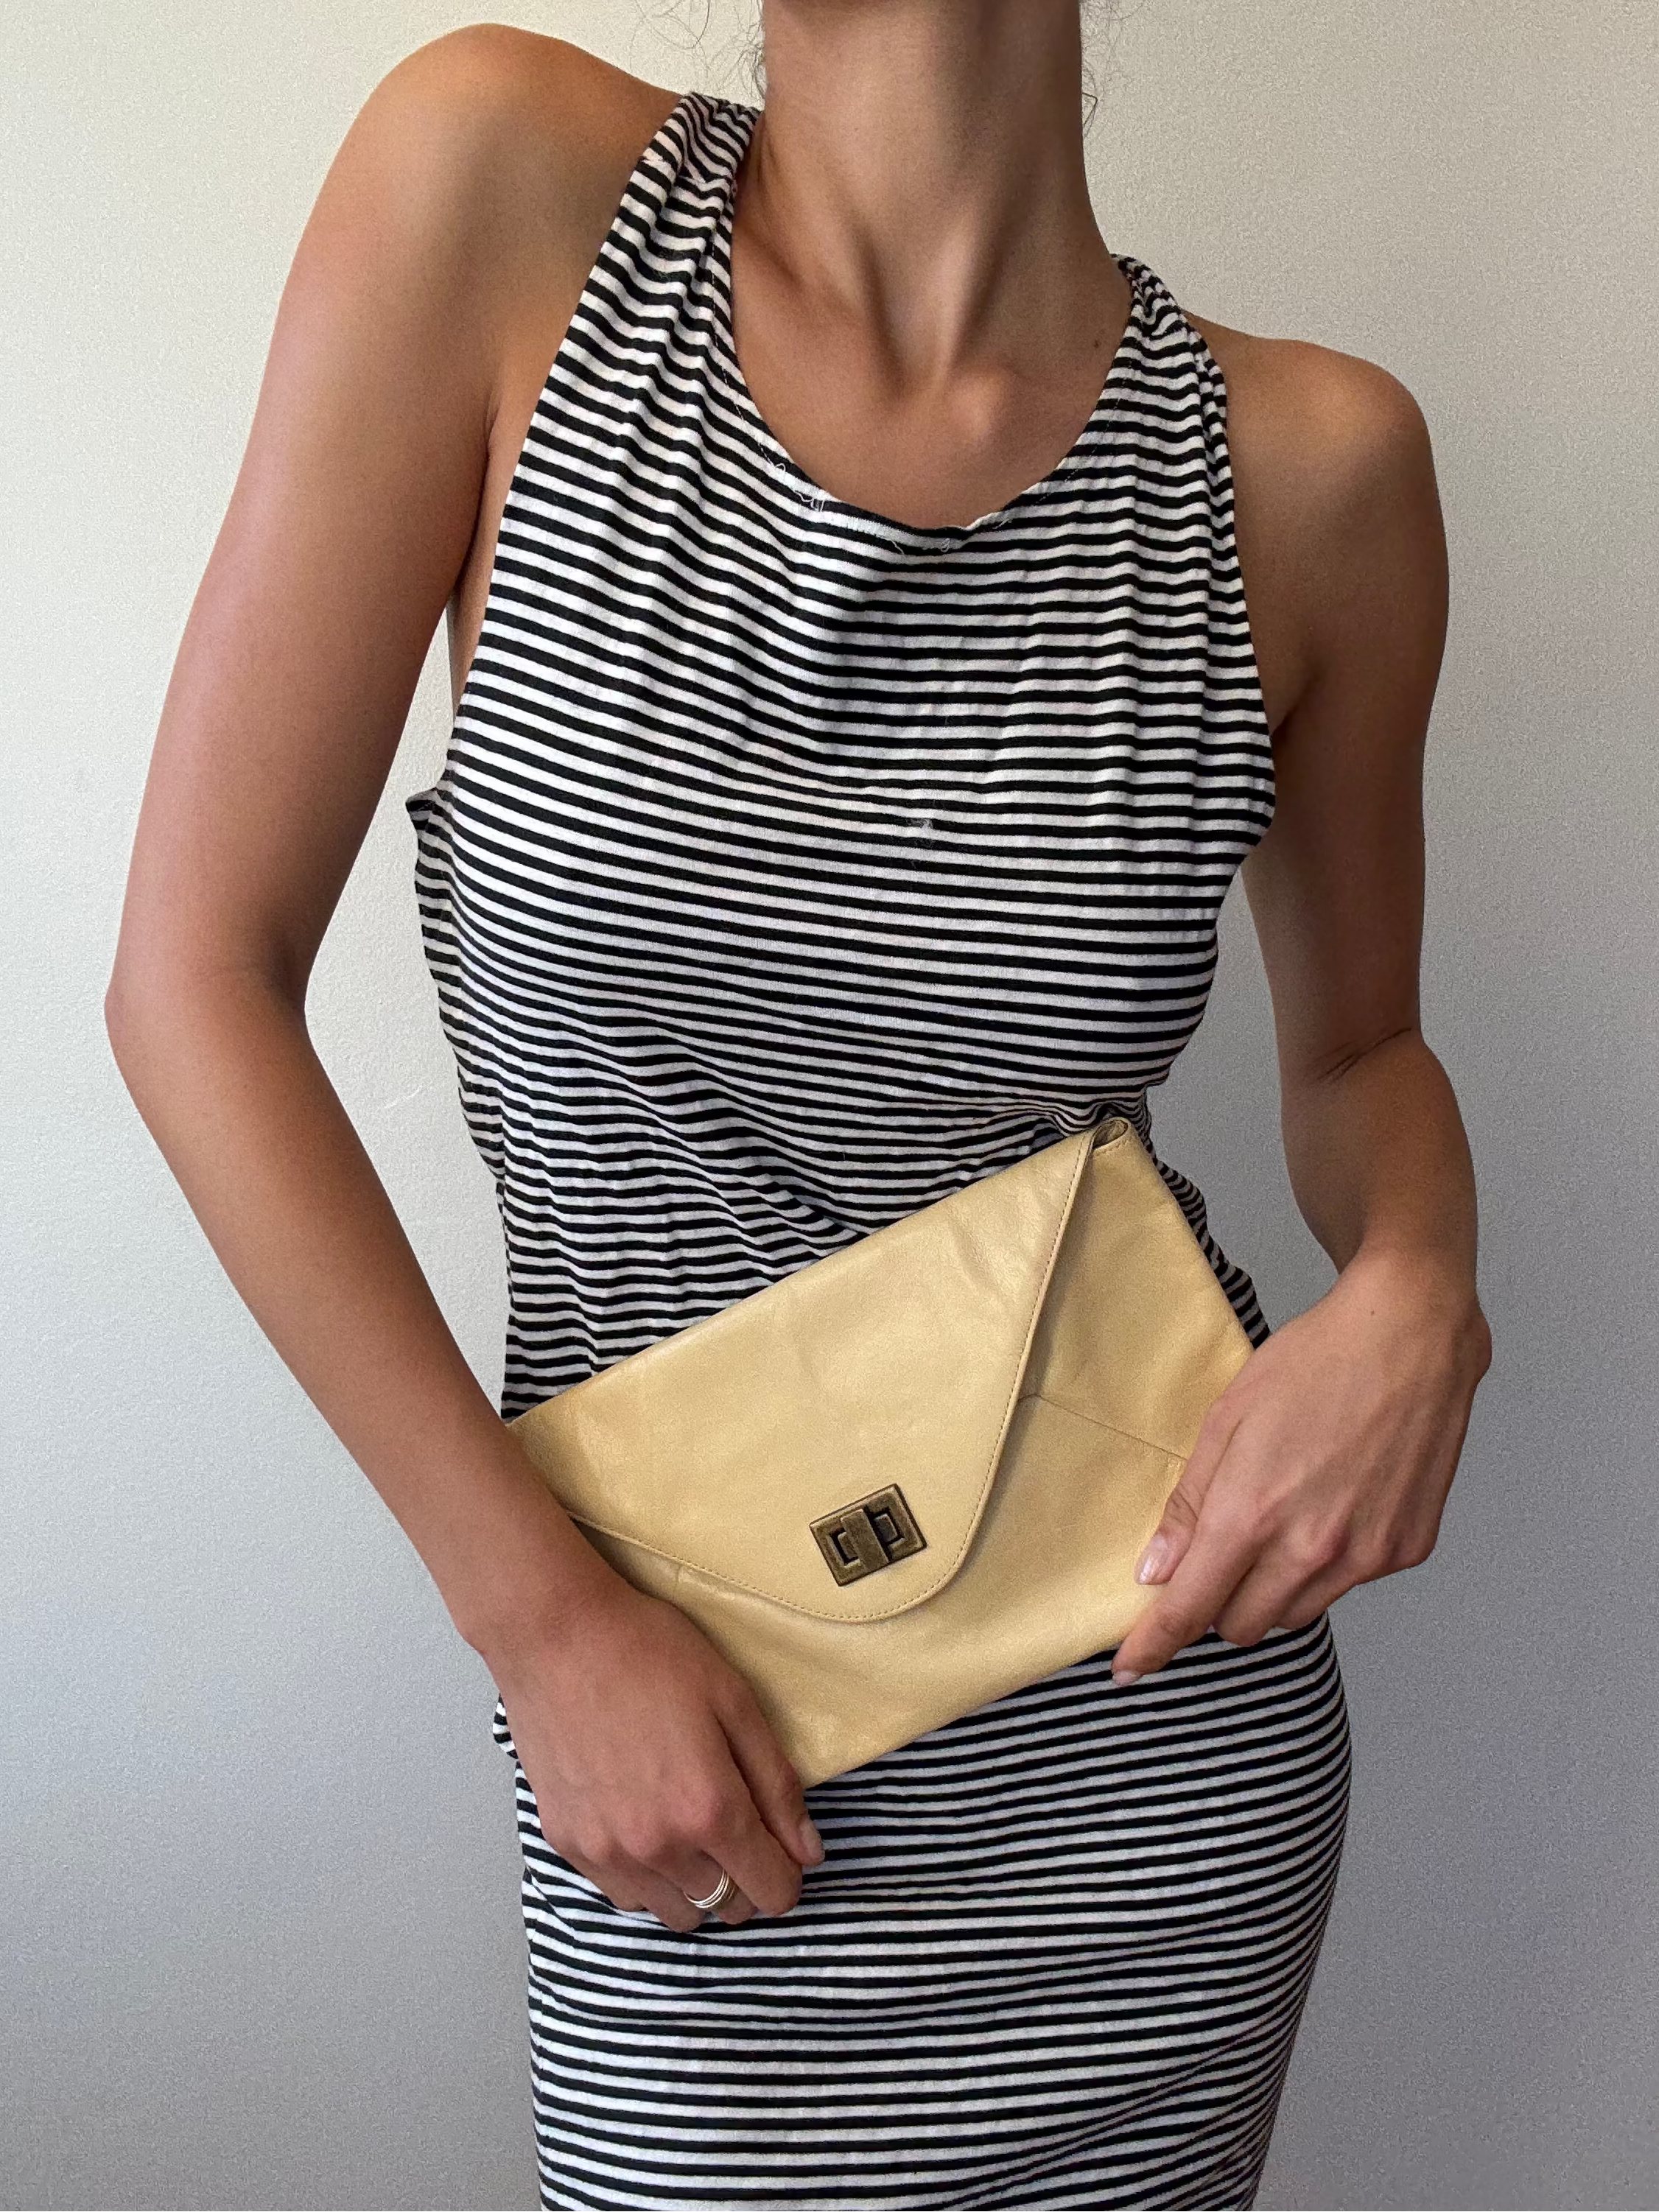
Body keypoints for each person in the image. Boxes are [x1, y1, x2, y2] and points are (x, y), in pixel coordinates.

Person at [105, 4, 1493, 2206]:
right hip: (701, 1776)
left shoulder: (1309, 471)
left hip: (1157, 1761)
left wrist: (1418, 1286)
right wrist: (541, 1626)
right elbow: (192, 987)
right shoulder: (504, 196)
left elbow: (1353, 1055)